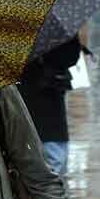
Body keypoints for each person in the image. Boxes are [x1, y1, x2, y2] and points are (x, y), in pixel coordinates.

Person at [17, 37, 86, 177]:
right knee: (54, 164)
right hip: (47, 103)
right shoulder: (52, 24)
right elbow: (69, 56)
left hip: (16, 105)